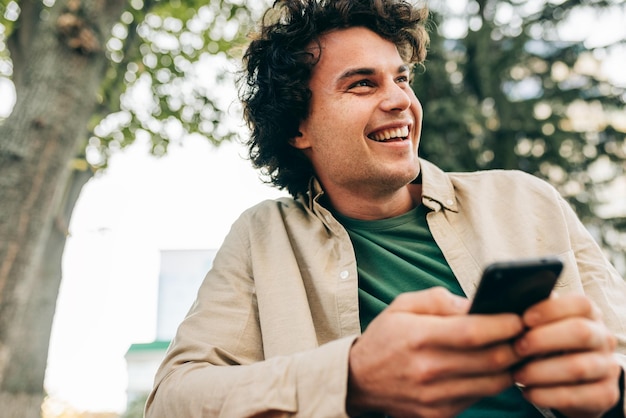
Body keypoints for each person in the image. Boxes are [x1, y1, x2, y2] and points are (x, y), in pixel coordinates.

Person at [145, 0, 626, 417]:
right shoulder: (262, 238)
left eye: (401, 78)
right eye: (361, 84)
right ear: (298, 129)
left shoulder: (526, 199)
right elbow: (173, 402)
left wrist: (608, 397)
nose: (400, 100)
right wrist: (352, 377)